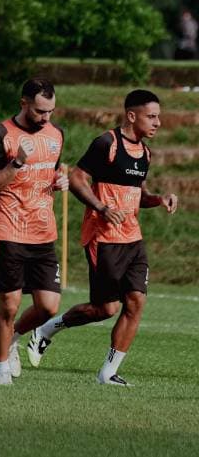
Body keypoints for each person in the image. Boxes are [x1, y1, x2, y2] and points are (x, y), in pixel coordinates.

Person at [26, 90, 178, 386]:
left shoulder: (145, 153)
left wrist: (159, 199)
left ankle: (108, 372)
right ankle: (46, 330)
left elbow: (137, 196)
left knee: (135, 303)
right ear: (131, 116)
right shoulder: (106, 143)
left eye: (158, 116)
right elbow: (78, 179)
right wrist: (102, 208)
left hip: (133, 239)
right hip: (103, 238)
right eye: (152, 116)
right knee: (105, 309)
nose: (158, 122)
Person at [0, 78, 68, 385]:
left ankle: (14, 337)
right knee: (9, 305)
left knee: (48, 305)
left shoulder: (57, 134)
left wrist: (58, 181)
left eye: (51, 111)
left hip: (43, 232)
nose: (46, 118)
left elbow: (50, 172)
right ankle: (2, 368)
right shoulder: (0, 135)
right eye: (41, 111)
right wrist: (17, 161)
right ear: (24, 104)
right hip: (7, 231)